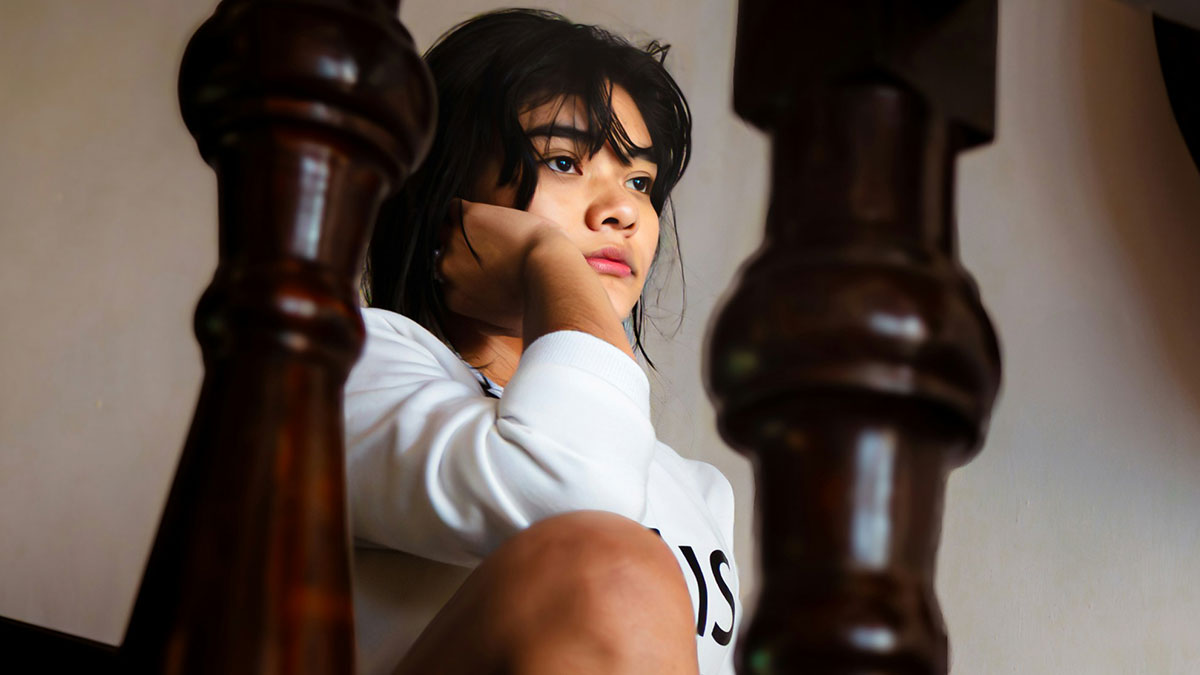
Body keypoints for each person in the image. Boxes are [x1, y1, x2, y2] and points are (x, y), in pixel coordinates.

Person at [345, 9, 740, 675]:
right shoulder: (352, 365)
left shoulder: (700, 491)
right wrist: (545, 257)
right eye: (563, 160)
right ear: (446, 192)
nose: (623, 211)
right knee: (611, 568)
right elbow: (574, 492)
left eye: (640, 182)